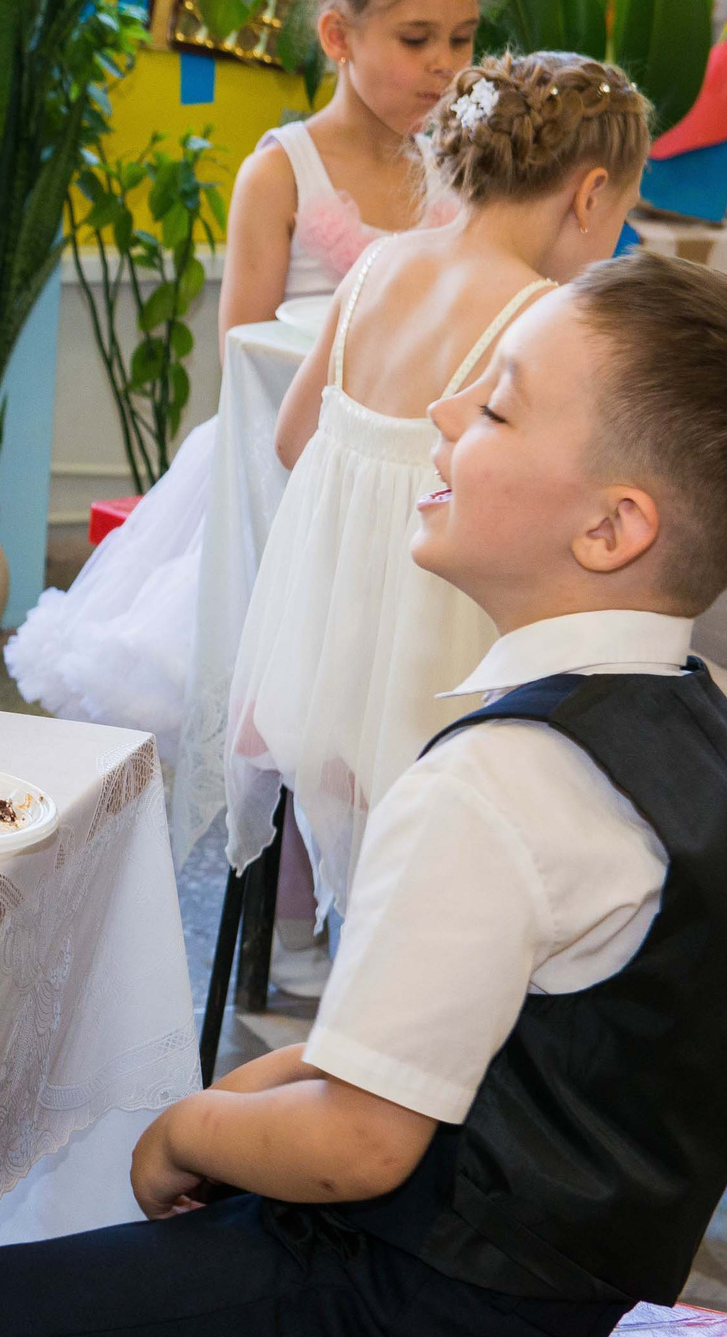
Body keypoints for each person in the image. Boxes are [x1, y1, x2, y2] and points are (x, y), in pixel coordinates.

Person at [0, 249, 727, 1337]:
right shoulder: (718, 746)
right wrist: (264, 1085)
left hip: (407, 1312)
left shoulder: (498, 781)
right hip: (549, 1286)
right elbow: (498, 1038)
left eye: (498, 401)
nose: (444, 405)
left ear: (611, 529)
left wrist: (182, 1131)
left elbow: (358, 1143)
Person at [7, 0, 480, 992]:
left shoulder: (464, 165)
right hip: (295, 458)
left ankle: (394, 882)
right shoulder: (286, 169)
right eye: (416, 39)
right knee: (298, 681)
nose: (444, 65)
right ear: (337, 36)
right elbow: (246, 348)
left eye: (462, 39)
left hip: (428, 460)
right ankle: (293, 892)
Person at [224, 51, 648, 925]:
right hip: (434, 672)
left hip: (319, 660)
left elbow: (291, 438)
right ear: (591, 191)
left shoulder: (379, 265)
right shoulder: (539, 314)